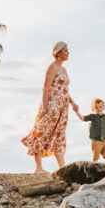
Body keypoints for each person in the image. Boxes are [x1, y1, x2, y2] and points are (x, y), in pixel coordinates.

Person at [22, 41, 80, 174]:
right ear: (58, 53)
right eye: (65, 50)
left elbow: (64, 89)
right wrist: (45, 108)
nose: (68, 52)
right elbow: (45, 88)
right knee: (43, 132)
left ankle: (62, 169)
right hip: (52, 104)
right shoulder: (52, 67)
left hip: (63, 107)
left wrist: (72, 102)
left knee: (60, 134)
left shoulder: (64, 69)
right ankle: (38, 168)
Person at [74, 98, 105, 167]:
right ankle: (92, 167)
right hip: (97, 141)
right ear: (93, 109)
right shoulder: (92, 116)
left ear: (104, 108)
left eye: (100, 107)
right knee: (96, 157)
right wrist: (77, 112)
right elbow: (83, 118)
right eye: (96, 107)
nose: (99, 109)